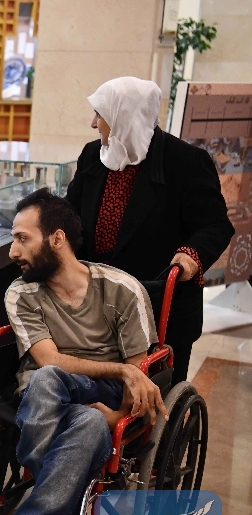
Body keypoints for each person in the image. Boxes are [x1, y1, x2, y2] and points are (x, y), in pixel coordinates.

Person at [0, 188, 165, 515]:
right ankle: (61, 497)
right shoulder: (21, 293)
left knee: (84, 415)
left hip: (104, 393)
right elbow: (50, 360)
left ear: (57, 238)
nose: (12, 251)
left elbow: (138, 377)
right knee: (51, 384)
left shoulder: (122, 290)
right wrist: (121, 370)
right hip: (48, 390)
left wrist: (116, 415)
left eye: (22, 239)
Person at [66, 76, 234, 384]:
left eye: (100, 114)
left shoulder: (185, 161)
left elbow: (215, 225)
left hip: (158, 305)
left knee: (156, 391)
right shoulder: (93, 155)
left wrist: (191, 255)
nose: (93, 123)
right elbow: (70, 213)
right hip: (96, 304)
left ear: (123, 115)